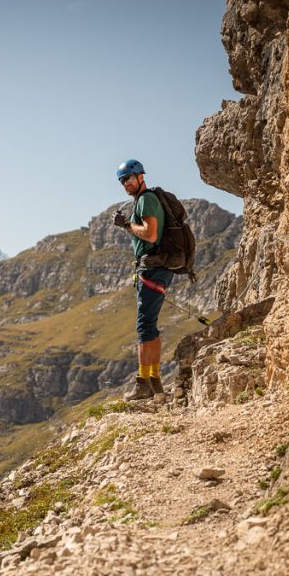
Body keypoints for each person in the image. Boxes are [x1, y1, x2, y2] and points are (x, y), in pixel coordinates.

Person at [113, 159, 173, 401]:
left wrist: (127, 224)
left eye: (128, 178)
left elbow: (150, 232)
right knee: (151, 326)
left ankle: (143, 383)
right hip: (156, 267)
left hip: (152, 269)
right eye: (122, 181)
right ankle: (155, 380)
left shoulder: (146, 199)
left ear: (140, 176)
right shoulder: (142, 200)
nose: (125, 183)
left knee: (144, 327)